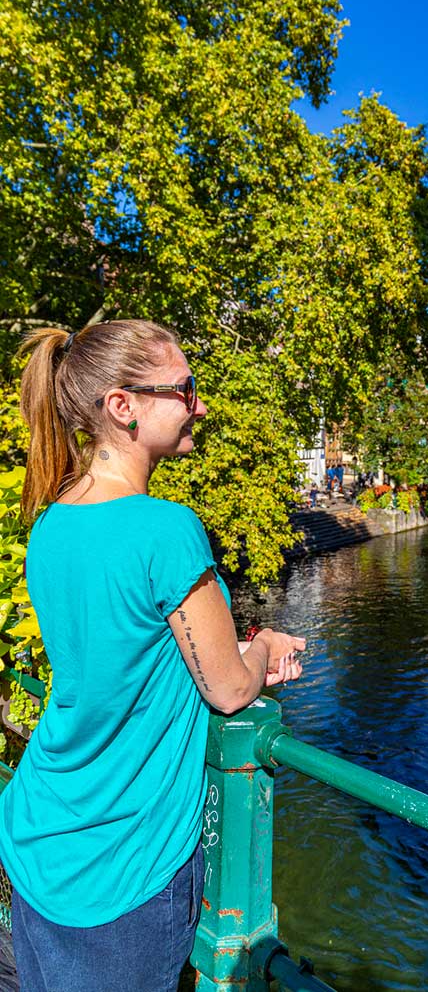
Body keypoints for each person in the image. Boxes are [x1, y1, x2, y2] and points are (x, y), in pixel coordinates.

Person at [0, 321, 305, 992]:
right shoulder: (166, 529)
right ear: (123, 406)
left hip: (40, 835)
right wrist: (266, 650)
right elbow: (228, 692)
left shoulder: (52, 521)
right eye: (186, 390)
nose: (201, 404)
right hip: (121, 866)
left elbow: (117, 648)